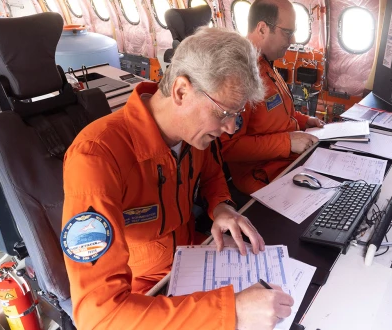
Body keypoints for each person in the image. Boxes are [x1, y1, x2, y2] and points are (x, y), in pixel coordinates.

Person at [61, 27, 294, 330]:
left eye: (237, 114)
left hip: (193, 264)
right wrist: (230, 311)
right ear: (182, 91)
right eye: (225, 112)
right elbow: (98, 316)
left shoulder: (194, 136)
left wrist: (222, 207)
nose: (231, 128)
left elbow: (211, 175)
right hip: (144, 297)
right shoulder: (95, 158)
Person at [219, 0, 325, 195]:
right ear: (262, 29)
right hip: (263, 175)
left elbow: (278, 117)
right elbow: (229, 148)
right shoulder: (239, 73)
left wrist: (306, 121)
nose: (292, 40)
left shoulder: (268, 65)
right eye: (287, 32)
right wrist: (288, 143)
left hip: (289, 161)